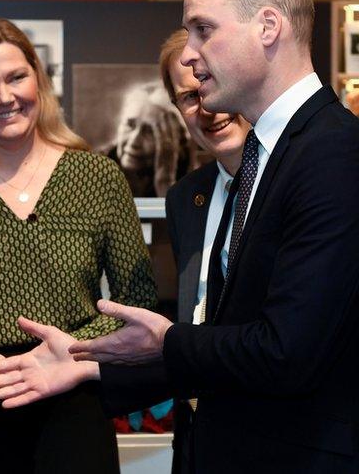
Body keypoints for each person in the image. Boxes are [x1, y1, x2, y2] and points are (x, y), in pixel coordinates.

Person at [0, 0, 359, 474]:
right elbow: (230, 342)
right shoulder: (267, 160)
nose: (192, 53)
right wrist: (95, 364)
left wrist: (165, 340)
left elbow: (286, 352)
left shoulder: (335, 155)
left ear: (268, 26)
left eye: (203, 30)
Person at [0, 18, 158, 474]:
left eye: (16, 77)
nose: (5, 97)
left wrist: (74, 348)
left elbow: (136, 299)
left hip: (75, 395)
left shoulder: (97, 177)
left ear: (39, 81)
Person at [98, 28, 251, 472]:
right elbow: (191, 333)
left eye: (212, 86)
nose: (207, 107)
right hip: (200, 447)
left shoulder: (301, 184)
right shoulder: (187, 199)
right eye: (188, 97)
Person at [105, 79, 195, 197]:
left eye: (149, 132)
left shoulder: (196, 183)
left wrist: (165, 182)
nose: (134, 142)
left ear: (175, 142)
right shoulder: (96, 170)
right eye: (130, 125)